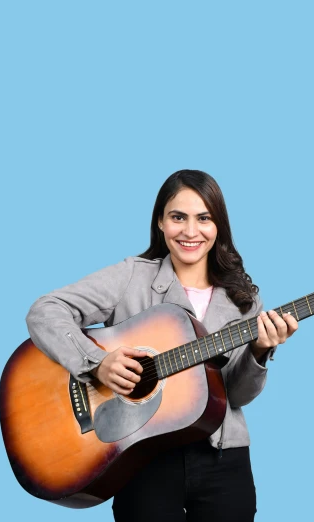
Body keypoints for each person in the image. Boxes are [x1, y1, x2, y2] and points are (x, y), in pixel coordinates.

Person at [26, 169, 298, 521]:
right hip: (142, 456)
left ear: (219, 226)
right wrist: (96, 362)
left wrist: (259, 352)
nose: (190, 231)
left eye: (204, 218)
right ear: (160, 223)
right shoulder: (130, 277)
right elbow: (45, 311)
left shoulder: (244, 300)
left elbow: (237, 394)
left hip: (222, 458)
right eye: (177, 217)